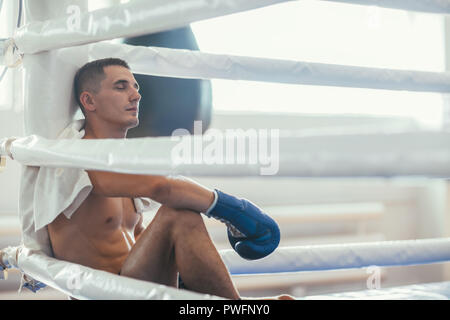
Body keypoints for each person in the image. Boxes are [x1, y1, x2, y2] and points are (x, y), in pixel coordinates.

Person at [47, 58, 286, 300]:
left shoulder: (121, 160)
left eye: (135, 87)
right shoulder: (77, 155)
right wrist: (235, 210)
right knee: (177, 215)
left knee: (177, 219)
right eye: (121, 87)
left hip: (135, 286)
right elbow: (161, 187)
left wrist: (185, 265)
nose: (136, 96)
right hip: (103, 295)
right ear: (89, 101)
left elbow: (136, 234)